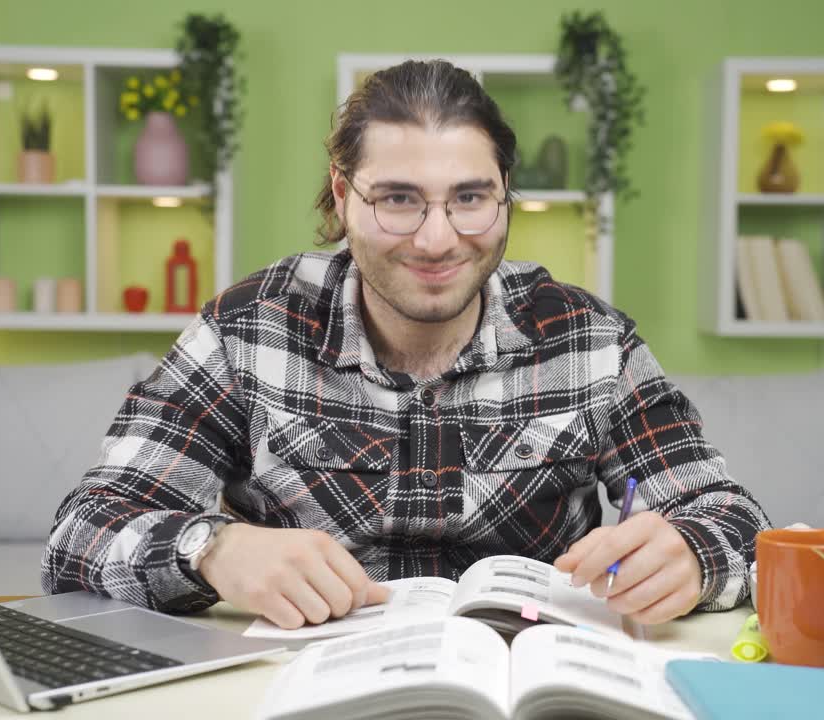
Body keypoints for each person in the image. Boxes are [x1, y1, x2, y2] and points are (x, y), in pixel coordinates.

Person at [42, 59, 771, 630]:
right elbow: (82, 534)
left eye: (469, 198)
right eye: (397, 198)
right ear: (342, 193)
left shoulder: (589, 340)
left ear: (503, 193)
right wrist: (212, 550)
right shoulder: (247, 329)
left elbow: (736, 520)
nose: (436, 239)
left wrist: (695, 556)